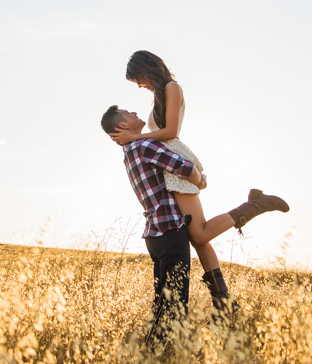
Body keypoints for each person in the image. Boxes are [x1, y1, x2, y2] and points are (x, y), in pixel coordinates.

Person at [109, 50, 289, 315]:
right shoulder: (159, 94)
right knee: (198, 239)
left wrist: (134, 138)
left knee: (200, 233)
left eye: (139, 79)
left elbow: (170, 131)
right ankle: (223, 303)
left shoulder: (172, 87)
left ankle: (255, 205)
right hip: (167, 159)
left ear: (148, 68)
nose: (140, 85)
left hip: (175, 159)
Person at [101, 104, 288, 344]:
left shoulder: (130, 151)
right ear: (123, 126)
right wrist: (201, 181)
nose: (135, 113)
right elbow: (185, 167)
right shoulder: (143, 145)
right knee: (175, 302)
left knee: (162, 301)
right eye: (129, 114)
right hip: (170, 231)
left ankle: (154, 351)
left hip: (154, 235)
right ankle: (169, 352)